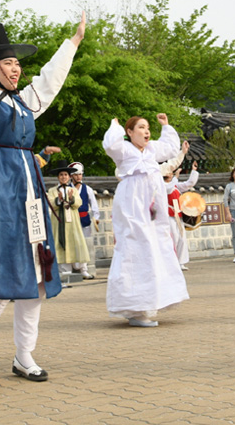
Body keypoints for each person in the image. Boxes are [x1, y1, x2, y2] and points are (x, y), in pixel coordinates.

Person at [0, 4, 86, 392]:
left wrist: (71, 44)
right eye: (6, 62)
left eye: (16, 63)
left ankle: (24, 356)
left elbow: (49, 82)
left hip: (30, 198)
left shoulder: (24, 103)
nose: (15, 68)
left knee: (37, 280)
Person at [102, 114, 189, 327]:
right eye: (141, 127)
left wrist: (166, 126)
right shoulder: (123, 149)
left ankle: (150, 303)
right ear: (130, 132)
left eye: (147, 127)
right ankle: (134, 307)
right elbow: (110, 145)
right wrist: (116, 127)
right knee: (134, 247)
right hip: (132, 202)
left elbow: (170, 148)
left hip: (153, 204)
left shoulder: (152, 150)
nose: (146, 131)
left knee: (156, 247)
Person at [47, 164, 90, 284]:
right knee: (60, 245)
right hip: (58, 222)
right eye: (61, 175)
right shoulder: (52, 190)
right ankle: (63, 274)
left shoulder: (74, 190)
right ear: (58, 177)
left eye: (65, 174)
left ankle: (82, 268)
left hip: (73, 223)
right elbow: (51, 203)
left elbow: (79, 203)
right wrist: (59, 200)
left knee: (77, 243)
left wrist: (71, 199)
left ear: (69, 177)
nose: (63, 177)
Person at [162, 148, 198, 271]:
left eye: (171, 173)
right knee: (174, 238)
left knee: (182, 238)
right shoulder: (162, 185)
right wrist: (175, 178)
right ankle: (171, 262)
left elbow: (189, 184)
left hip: (177, 215)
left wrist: (193, 171)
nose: (170, 174)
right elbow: (169, 189)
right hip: (168, 215)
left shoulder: (175, 185)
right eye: (169, 173)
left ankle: (181, 261)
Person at [69, 163, 99, 278]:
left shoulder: (88, 189)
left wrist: (96, 218)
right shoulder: (67, 189)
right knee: (72, 244)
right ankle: (72, 268)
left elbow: (94, 206)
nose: (79, 177)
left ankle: (84, 269)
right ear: (72, 176)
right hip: (71, 220)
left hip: (84, 219)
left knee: (84, 244)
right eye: (76, 175)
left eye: (80, 174)